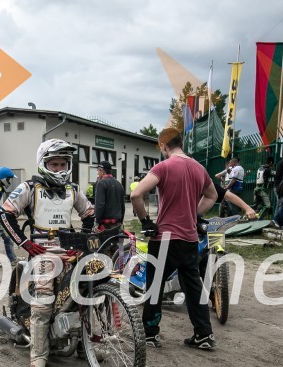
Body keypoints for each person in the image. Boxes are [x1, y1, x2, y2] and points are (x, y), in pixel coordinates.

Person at [0, 139, 95, 367]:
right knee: (43, 302)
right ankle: (38, 355)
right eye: (55, 164)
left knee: (88, 294)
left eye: (63, 164)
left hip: (69, 252)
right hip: (42, 253)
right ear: (43, 164)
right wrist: (26, 243)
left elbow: (89, 213)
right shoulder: (30, 188)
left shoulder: (73, 189)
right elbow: (6, 214)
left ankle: (86, 346)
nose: (60, 169)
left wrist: (80, 243)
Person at [130, 127, 219, 350]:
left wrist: (145, 222)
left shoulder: (163, 167)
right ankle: (204, 335)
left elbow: (136, 194)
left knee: (155, 286)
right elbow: (212, 196)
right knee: (193, 287)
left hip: (164, 239)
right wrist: (196, 214)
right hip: (189, 239)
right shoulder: (199, 168)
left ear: (163, 145)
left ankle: (150, 334)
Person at [92, 161, 125, 232]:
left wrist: (96, 222)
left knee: (103, 243)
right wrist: (121, 221)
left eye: (98, 171)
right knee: (115, 243)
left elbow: (100, 205)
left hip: (105, 225)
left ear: (102, 171)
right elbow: (122, 206)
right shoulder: (119, 184)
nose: (97, 173)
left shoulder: (101, 183)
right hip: (117, 224)